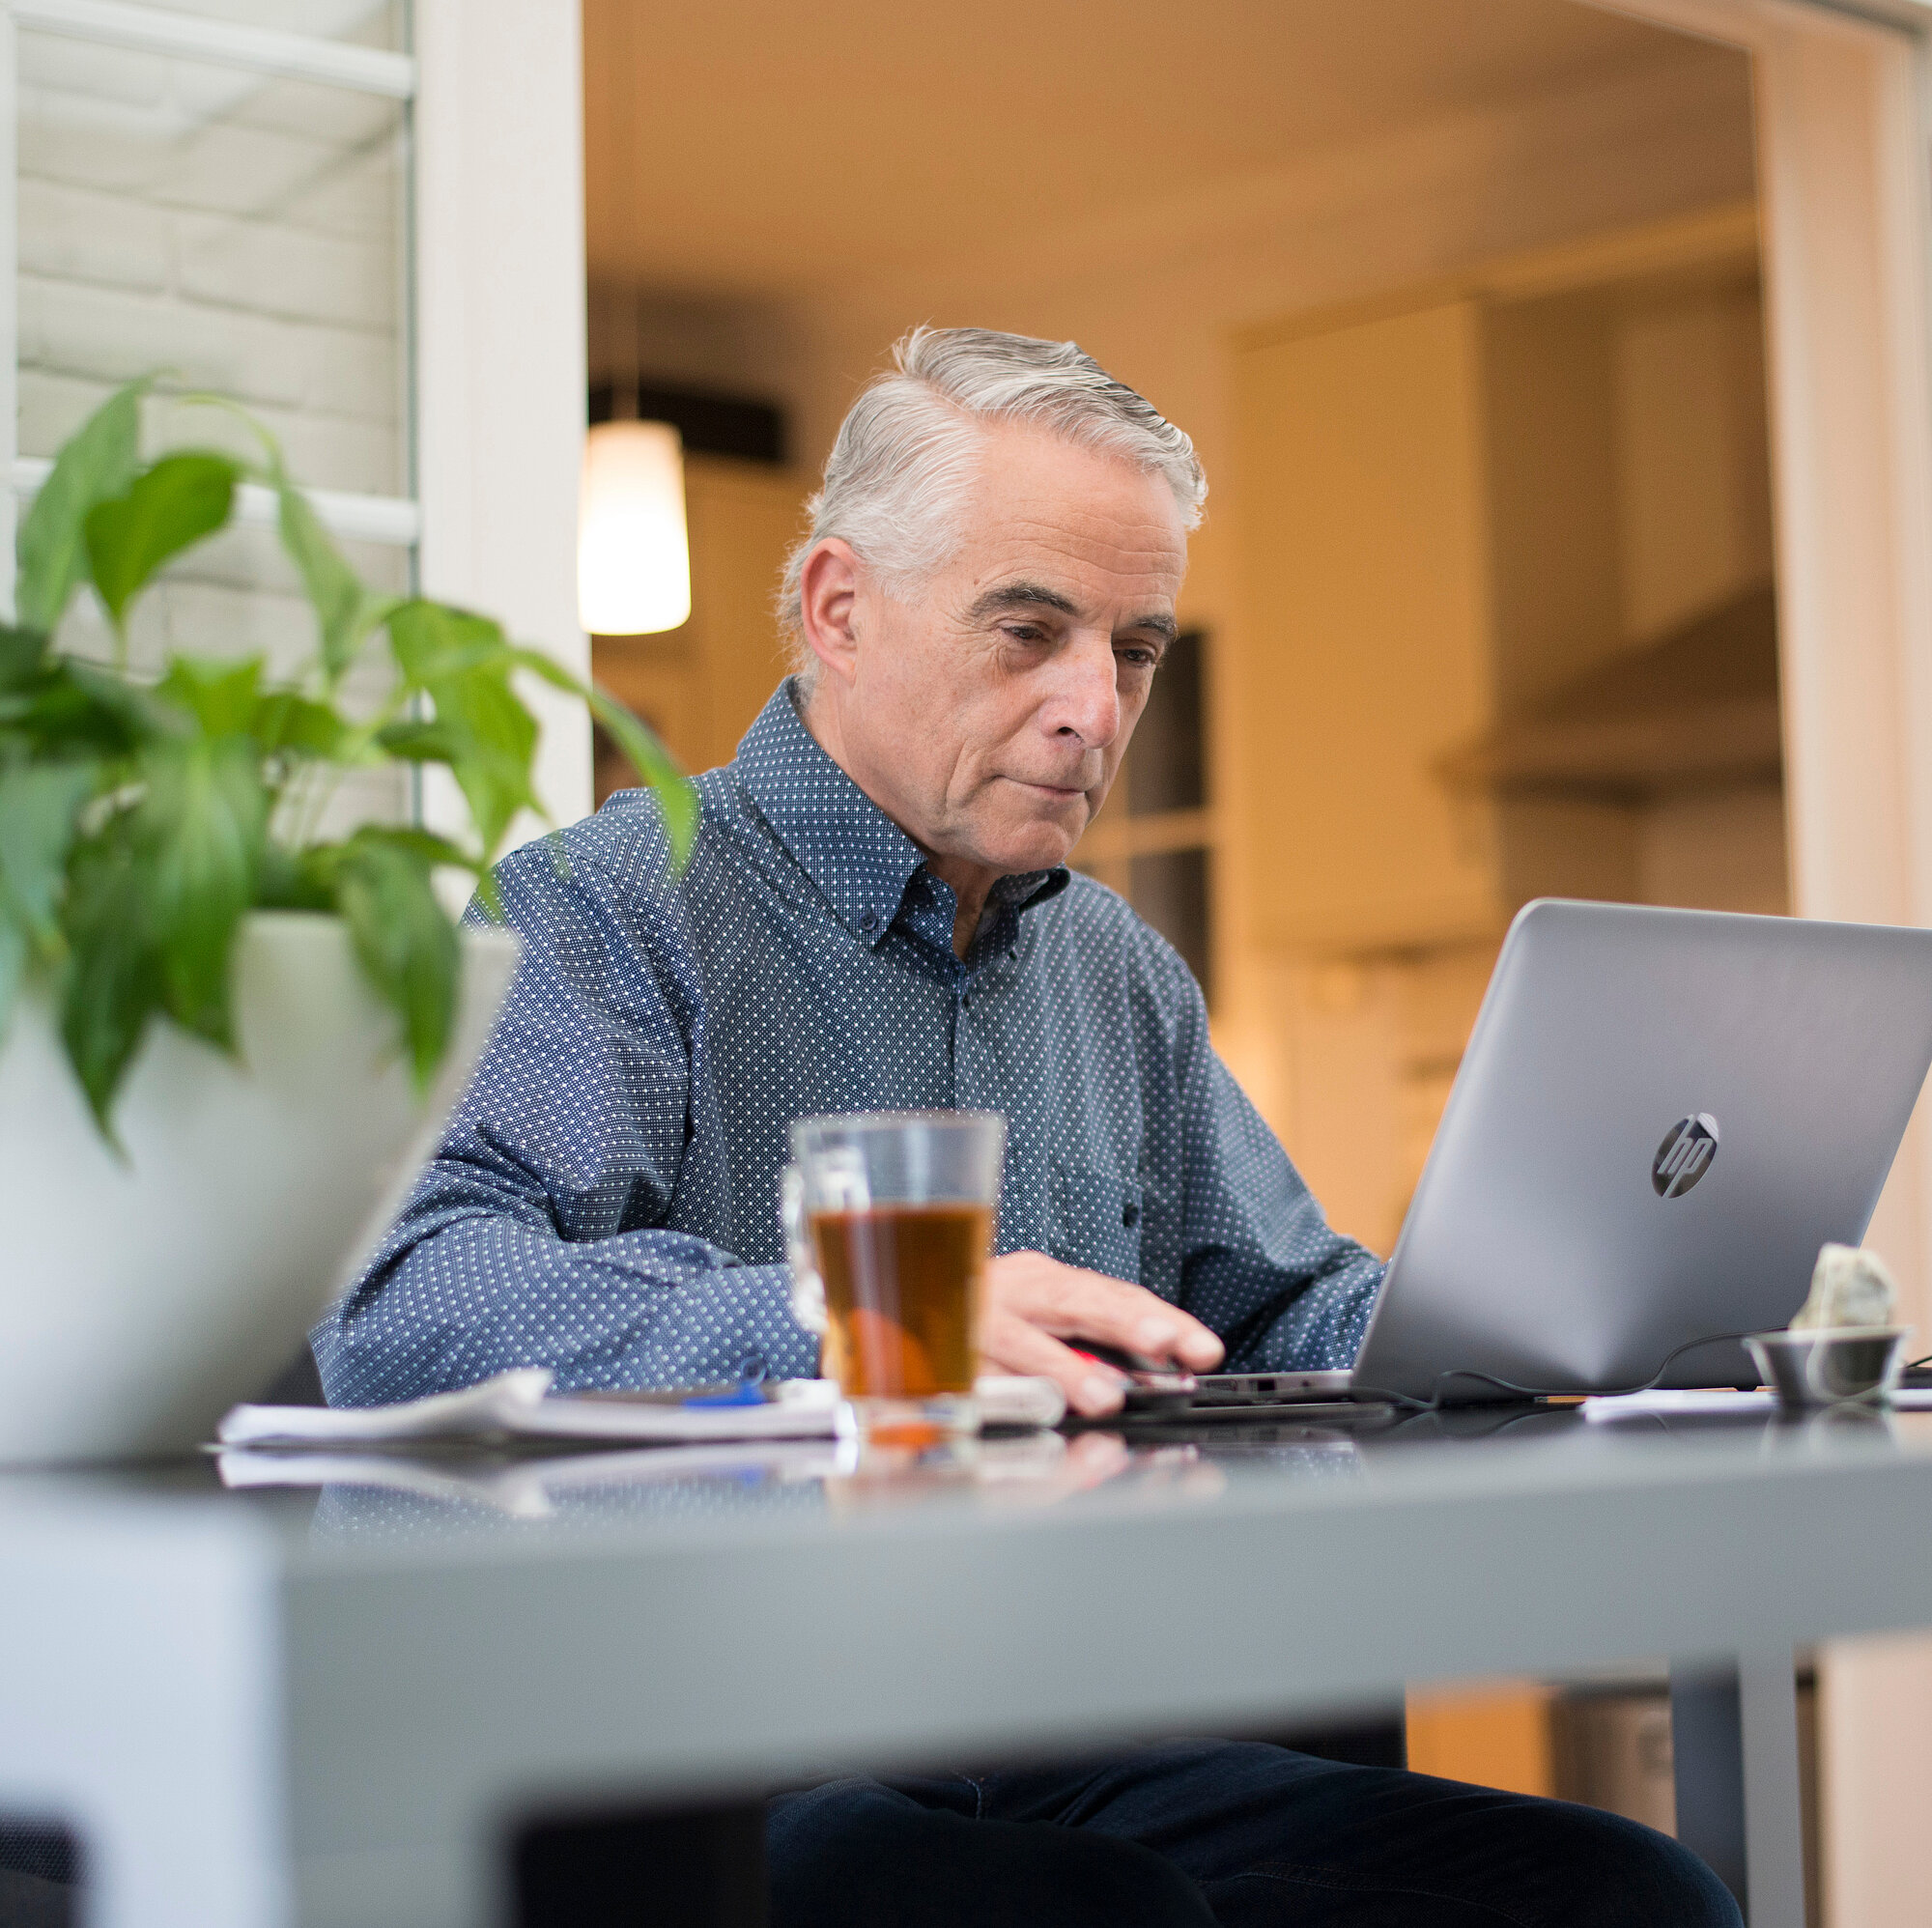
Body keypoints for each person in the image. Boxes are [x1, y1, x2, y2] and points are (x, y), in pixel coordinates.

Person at [313, 327, 1739, 1926]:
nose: (1093, 708)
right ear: (838, 610)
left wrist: (1554, 1316)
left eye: (1135, 649)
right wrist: (876, 1324)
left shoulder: (1114, 972)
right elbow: (411, 1297)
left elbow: (1271, 1303)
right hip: (679, 1741)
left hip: (1044, 1722)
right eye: (1028, 631)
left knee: (1626, 1894)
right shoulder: (608, 908)